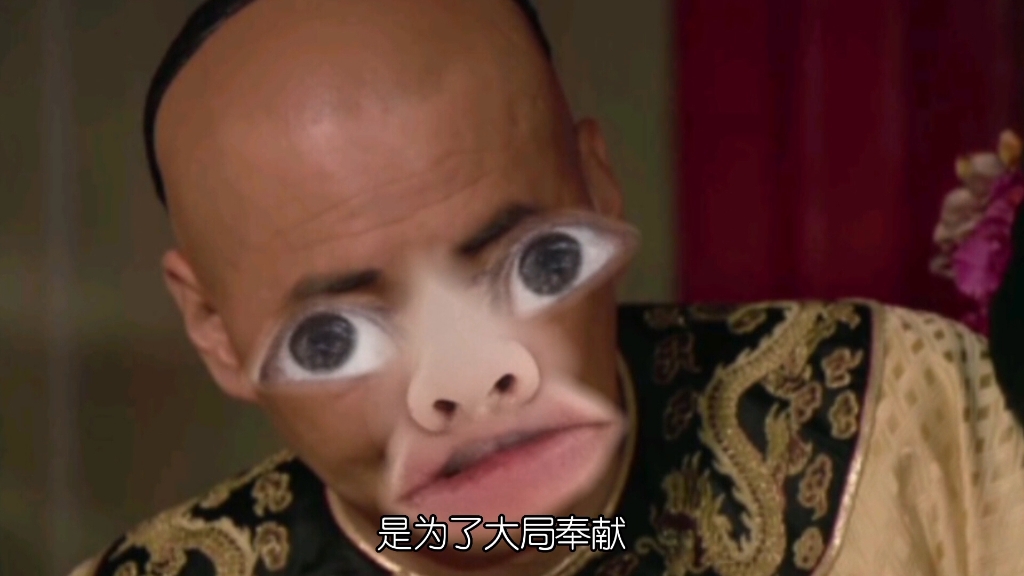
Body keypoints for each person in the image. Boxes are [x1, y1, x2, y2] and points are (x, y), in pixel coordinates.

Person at [70, 1, 1024, 575]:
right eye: (335, 336)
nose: (466, 376)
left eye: (533, 265)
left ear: (598, 187)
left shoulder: (911, 419)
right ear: (214, 328)